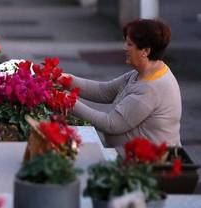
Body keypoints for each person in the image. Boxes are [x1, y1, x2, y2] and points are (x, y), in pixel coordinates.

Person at [68, 19, 181, 148]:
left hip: (148, 165)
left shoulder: (151, 89)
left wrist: (67, 101)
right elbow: (104, 91)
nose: (124, 48)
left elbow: (110, 124)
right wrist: (67, 80)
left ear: (145, 51)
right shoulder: (142, 73)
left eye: (129, 44)